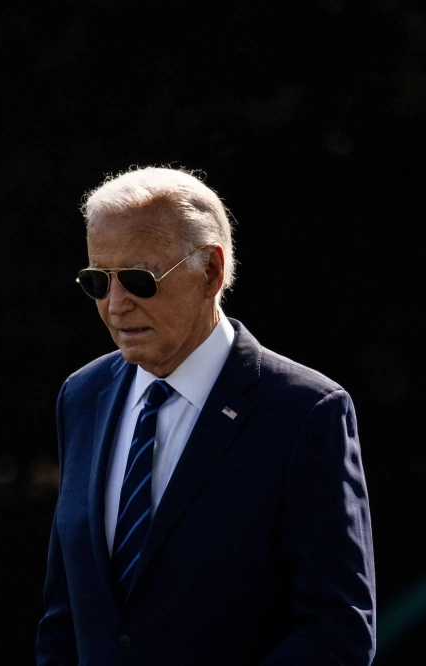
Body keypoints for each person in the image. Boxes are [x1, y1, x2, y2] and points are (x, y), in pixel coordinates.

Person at [35, 165, 376, 665]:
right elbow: (65, 616)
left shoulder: (305, 412)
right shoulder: (82, 396)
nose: (115, 305)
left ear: (211, 271)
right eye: (97, 282)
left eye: (137, 278)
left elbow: (337, 630)